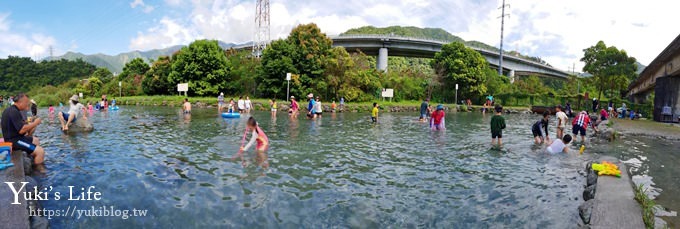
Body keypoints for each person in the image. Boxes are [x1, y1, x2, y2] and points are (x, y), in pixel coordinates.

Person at [1, 93, 45, 165]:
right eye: (26, 102)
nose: (28, 104)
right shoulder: (13, 111)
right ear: (20, 102)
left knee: (36, 140)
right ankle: (39, 172)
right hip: (14, 141)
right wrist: (35, 123)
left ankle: (32, 158)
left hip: (17, 138)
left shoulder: (13, 110)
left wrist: (30, 122)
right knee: (40, 152)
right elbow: (22, 130)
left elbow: (19, 125)